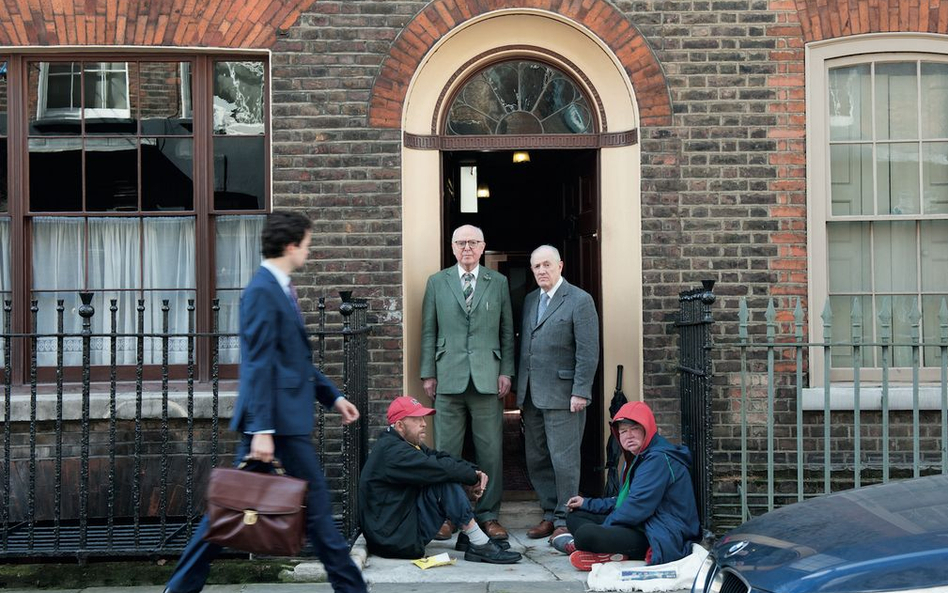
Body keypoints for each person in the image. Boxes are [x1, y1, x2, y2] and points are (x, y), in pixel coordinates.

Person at [164, 211, 367, 593]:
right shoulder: (262, 290)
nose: (309, 250)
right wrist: (261, 429)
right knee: (313, 512)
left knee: (225, 514)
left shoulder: (280, 288)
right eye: (307, 243)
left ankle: (178, 589)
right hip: (275, 427)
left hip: (280, 424)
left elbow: (293, 361)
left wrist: (334, 397)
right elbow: (257, 362)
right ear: (291, 246)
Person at [419, 225, 515, 540]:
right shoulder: (437, 282)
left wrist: (506, 371)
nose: (467, 248)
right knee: (446, 453)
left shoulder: (497, 282)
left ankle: (488, 516)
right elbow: (429, 331)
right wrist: (428, 372)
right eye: (461, 243)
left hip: (488, 376)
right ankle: (449, 515)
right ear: (452, 247)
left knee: (490, 452)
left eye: (473, 242)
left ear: (483, 246)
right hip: (447, 376)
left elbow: (506, 330)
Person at [358, 396, 522, 564]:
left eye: (423, 418)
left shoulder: (402, 443)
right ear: (400, 425)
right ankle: (479, 543)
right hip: (394, 540)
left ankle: (469, 537)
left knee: (446, 471)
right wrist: (472, 477)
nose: (424, 423)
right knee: (444, 479)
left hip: (398, 528)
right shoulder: (393, 452)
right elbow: (439, 468)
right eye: (417, 419)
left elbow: (439, 457)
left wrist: (473, 471)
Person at [551, 401, 701, 572]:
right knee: (576, 516)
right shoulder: (637, 456)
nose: (628, 436)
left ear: (648, 429)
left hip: (660, 532)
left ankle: (588, 546)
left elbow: (636, 507)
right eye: (623, 431)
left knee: (587, 535)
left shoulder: (658, 459)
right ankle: (608, 552)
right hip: (644, 522)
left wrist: (604, 530)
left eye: (634, 429)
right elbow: (624, 501)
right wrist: (587, 503)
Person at [517, 245, 599, 542]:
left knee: (564, 460)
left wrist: (580, 391)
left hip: (565, 395)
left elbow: (588, 352)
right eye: (536, 266)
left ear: (560, 266)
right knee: (536, 457)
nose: (541, 270)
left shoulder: (579, 300)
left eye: (547, 265)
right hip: (531, 395)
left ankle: (566, 518)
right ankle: (549, 513)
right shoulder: (529, 300)